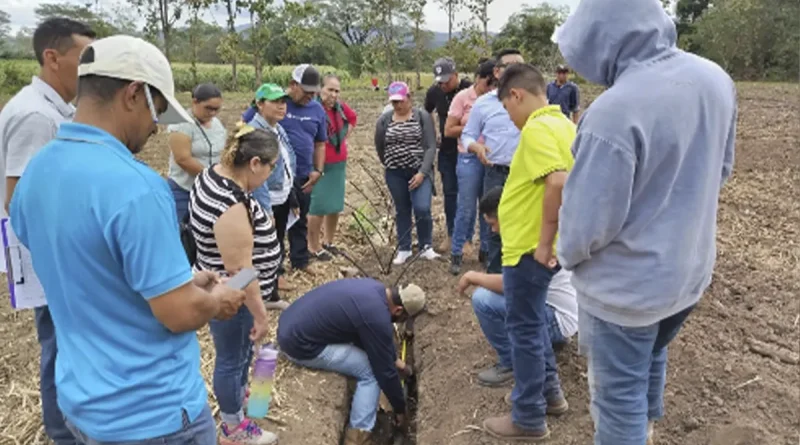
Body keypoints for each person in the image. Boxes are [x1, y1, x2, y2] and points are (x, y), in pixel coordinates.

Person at [9, 35, 247, 444]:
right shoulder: (136, 186)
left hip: (82, 405)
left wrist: (180, 281)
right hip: (153, 414)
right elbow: (180, 314)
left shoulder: (36, 170)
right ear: (134, 94)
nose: (156, 127)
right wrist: (216, 300)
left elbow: (88, 267)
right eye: (158, 110)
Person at [554, 0, 738, 444]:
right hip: (687, 275)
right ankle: (648, 429)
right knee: (652, 354)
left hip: (625, 293)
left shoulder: (613, 112)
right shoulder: (713, 79)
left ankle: (634, 432)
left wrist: (565, 256)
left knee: (618, 402)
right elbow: (721, 169)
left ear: (600, 38)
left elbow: (585, 226)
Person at [0, 17, 95, 445]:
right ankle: (62, 432)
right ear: (52, 58)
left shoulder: (55, 110)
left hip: (53, 251)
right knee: (59, 342)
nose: (91, 69)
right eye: (84, 58)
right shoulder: (36, 116)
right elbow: (20, 200)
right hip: (47, 255)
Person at [482, 63, 576, 441]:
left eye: (507, 109)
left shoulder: (537, 128)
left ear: (517, 95)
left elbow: (558, 181)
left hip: (527, 249)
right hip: (541, 246)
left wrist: (543, 242)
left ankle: (528, 417)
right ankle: (549, 395)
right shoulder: (564, 125)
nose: (510, 118)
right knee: (533, 323)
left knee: (522, 329)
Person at [189, 125, 282, 444]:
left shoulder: (213, 175)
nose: (270, 174)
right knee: (233, 359)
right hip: (234, 296)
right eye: (271, 167)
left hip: (228, 285)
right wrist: (260, 314)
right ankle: (233, 427)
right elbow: (241, 271)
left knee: (239, 355)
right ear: (254, 163)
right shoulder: (230, 205)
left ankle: (238, 397)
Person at [276, 278, 426, 445]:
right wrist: (400, 409)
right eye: (404, 318)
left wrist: (396, 361)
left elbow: (375, 339)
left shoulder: (375, 289)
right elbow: (385, 372)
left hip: (289, 325)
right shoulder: (376, 318)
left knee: (372, 359)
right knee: (371, 372)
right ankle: (358, 437)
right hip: (299, 345)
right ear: (398, 310)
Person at [458, 186, 578, 388]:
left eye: (493, 223)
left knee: (482, 300)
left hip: (557, 320)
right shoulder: (536, 226)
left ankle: (511, 363)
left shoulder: (530, 241)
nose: (493, 230)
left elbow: (512, 285)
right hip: (561, 312)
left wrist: (473, 277)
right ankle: (546, 344)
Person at [460, 49, 524, 270]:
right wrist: (476, 146)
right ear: (497, 72)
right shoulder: (484, 103)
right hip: (495, 172)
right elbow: (467, 135)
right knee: (495, 226)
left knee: (524, 224)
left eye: (520, 66)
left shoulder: (531, 100)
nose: (516, 70)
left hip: (525, 173)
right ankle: (496, 275)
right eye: (510, 66)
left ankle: (519, 275)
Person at [375, 82, 440, 264]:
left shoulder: (422, 116)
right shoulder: (385, 120)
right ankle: (404, 247)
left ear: (409, 98)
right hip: (395, 173)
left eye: (400, 101)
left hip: (419, 170)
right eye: (394, 102)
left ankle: (426, 245)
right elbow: (380, 145)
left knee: (422, 207)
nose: (398, 105)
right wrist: (389, 163)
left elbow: (430, 146)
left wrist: (422, 172)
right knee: (402, 209)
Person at [246, 83, 300, 293]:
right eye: (275, 102)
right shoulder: (256, 134)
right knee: (264, 244)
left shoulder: (278, 129)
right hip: (267, 198)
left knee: (277, 238)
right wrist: (266, 209)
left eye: (283, 102)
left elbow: (287, 163)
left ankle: (274, 280)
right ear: (260, 104)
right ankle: (263, 286)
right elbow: (257, 176)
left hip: (281, 194)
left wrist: (291, 195)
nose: (281, 106)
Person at [446, 59, 496, 275]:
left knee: (488, 206)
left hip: (491, 158)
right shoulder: (463, 98)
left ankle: (486, 251)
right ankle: (457, 252)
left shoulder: (497, 99)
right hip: (468, 157)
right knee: (466, 207)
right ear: (478, 78)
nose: (490, 88)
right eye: (487, 83)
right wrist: (471, 126)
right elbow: (449, 129)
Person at [307, 74, 358, 259]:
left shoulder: (340, 108)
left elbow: (352, 119)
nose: (333, 95)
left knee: (334, 205)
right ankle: (313, 246)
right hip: (319, 164)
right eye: (330, 90)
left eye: (337, 91)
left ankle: (329, 241)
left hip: (338, 163)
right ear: (320, 89)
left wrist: (342, 138)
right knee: (318, 206)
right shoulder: (312, 108)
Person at [424, 58, 472, 253]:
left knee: (466, 194)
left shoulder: (468, 89)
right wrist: (433, 132)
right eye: (440, 82)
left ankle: (467, 238)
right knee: (450, 193)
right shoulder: (434, 92)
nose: (443, 85)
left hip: (467, 149)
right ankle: (451, 234)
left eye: (446, 81)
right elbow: (427, 111)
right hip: (447, 149)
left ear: (456, 75)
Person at [167, 83, 227, 221]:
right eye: (208, 108)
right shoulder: (181, 124)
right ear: (195, 102)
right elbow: (182, 159)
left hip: (210, 190)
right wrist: (211, 177)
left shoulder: (216, 123)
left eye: (216, 109)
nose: (212, 113)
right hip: (185, 190)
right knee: (182, 228)